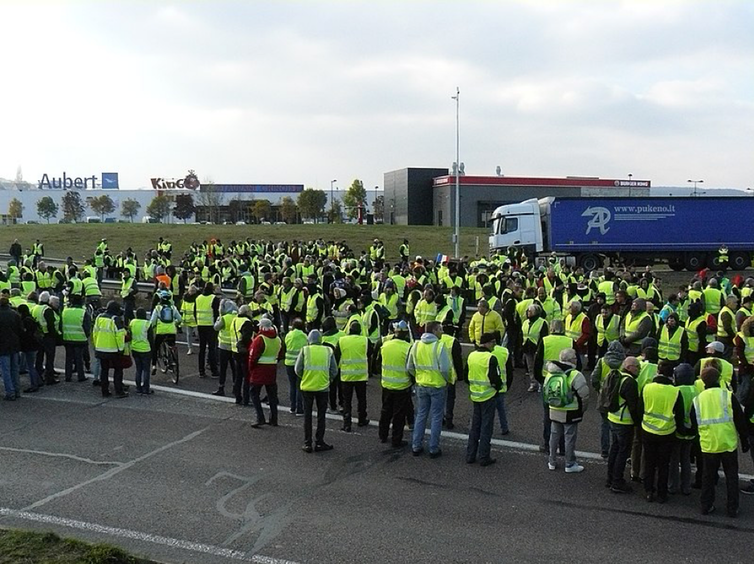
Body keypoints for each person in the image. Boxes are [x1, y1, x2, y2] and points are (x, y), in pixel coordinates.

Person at [690, 367, 749, 517]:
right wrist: (744, 439)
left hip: (708, 443)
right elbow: (739, 420)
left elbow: (693, 422)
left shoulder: (698, 399)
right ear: (718, 379)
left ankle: (706, 505)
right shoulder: (727, 395)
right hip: (727, 442)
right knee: (731, 476)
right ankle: (732, 508)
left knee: (708, 477)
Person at [639, 361, 684, 503]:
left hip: (648, 429)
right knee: (664, 464)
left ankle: (648, 490)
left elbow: (640, 408)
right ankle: (662, 493)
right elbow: (680, 414)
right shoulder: (675, 391)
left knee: (649, 462)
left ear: (658, 372)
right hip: (667, 432)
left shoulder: (647, 388)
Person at [407, 321, 451, 458]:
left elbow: (409, 367)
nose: (442, 332)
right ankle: (433, 448)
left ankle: (416, 445)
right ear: (434, 331)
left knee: (421, 415)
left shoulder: (416, 345)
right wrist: (447, 380)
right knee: (436, 417)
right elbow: (445, 368)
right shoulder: (439, 346)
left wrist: (418, 376)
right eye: (440, 329)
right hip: (437, 385)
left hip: (421, 384)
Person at [545, 348, 590, 473]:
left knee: (554, 435)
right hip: (570, 410)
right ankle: (569, 463)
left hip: (554, 408)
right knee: (569, 437)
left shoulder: (550, 373)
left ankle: (551, 461)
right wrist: (582, 410)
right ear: (571, 360)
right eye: (575, 358)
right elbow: (584, 395)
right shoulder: (575, 374)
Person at [294, 330, 338, 453]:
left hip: (307, 387)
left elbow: (297, 369)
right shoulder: (328, 351)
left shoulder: (305, 350)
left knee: (307, 416)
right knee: (321, 416)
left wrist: (305, 377)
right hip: (323, 387)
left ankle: (307, 443)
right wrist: (328, 379)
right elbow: (334, 370)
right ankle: (319, 442)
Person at [465, 333, 503, 466]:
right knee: (486, 427)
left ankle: (470, 455)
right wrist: (498, 388)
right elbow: (495, 379)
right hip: (488, 396)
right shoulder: (491, 358)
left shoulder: (471, 356)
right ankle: (483, 456)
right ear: (487, 343)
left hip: (475, 395)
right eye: (492, 342)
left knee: (475, 426)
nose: (494, 345)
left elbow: (466, 376)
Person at [607, 356, 641, 493]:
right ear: (629, 367)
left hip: (612, 418)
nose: (639, 369)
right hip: (624, 422)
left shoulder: (615, 375)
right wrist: (638, 422)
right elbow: (633, 407)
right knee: (623, 452)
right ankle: (617, 481)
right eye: (637, 367)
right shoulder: (630, 382)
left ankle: (610, 478)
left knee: (614, 449)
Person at [378, 320, 413, 448]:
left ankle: (382, 435)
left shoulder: (386, 345)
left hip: (386, 384)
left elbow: (378, 363)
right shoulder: (408, 347)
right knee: (399, 416)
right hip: (402, 386)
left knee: (385, 411)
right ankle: (396, 440)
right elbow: (411, 368)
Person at [336, 320, 372, 432]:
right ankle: (362, 419)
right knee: (362, 399)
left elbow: (337, 355)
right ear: (360, 331)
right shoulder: (365, 340)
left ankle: (347, 423)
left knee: (347, 401)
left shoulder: (342, 340)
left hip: (346, 376)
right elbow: (370, 353)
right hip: (361, 375)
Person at [668, 363, 698, 496]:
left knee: (674, 459)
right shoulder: (697, 390)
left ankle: (672, 486)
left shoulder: (676, 390)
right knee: (686, 459)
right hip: (692, 431)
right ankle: (686, 487)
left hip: (678, 430)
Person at [248, 318, 283, 428]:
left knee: (254, 394)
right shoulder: (277, 339)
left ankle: (260, 418)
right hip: (272, 370)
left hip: (259, 370)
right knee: (272, 396)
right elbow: (281, 353)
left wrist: (251, 369)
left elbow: (253, 357)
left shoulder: (260, 339)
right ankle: (274, 419)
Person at [92, 300, 127, 398]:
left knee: (104, 370)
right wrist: (121, 349)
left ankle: (105, 391)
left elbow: (94, 333)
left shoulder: (99, 318)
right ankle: (119, 391)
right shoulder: (115, 319)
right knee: (118, 370)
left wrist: (96, 345)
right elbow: (120, 336)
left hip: (100, 349)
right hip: (113, 350)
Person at [150, 290, 182, 377]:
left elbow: (152, 321)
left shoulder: (158, 308)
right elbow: (179, 319)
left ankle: (154, 366)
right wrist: (175, 323)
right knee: (172, 345)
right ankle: (173, 361)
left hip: (161, 331)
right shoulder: (173, 308)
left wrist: (151, 328)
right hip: (171, 331)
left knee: (155, 348)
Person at [61, 294, 91, 383]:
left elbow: (61, 325)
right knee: (79, 358)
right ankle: (80, 376)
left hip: (67, 338)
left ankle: (68, 376)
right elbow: (87, 327)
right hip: (80, 339)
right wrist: (86, 336)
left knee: (68, 358)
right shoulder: (83, 312)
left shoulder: (65, 311)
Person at [212, 299, 238, 396]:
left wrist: (219, 318)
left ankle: (221, 387)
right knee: (234, 368)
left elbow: (216, 327)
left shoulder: (224, 318)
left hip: (223, 346)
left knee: (223, 368)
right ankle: (235, 387)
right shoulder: (236, 317)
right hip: (234, 346)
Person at [195, 283, 221, 378]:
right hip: (210, 326)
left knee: (201, 349)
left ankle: (201, 371)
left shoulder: (198, 298)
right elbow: (217, 313)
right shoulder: (214, 298)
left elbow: (195, 312)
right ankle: (214, 371)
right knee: (212, 348)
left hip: (200, 325)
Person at [231, 305, 255, 406]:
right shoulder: (247, 322)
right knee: (247, 377)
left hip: (234, 350)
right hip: (244, 351)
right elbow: (246, 337)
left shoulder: (235, 320)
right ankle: (246, 398)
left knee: (238, 376)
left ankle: (237, 397)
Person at [0, 294, 22, 400]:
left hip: (3, 345)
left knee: (6, 370)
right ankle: (17, 390)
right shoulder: (15, 314)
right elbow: (20, 330)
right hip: (14, 344)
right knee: (14, 369)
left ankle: (10, 392)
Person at [284, 318, 307, 414]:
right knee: (299, 386)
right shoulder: (304, 336)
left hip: (289, 363)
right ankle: (299, 408)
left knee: (292, 385)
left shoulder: (288, 335)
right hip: (300, 363)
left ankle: (292, 407)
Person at [17, 303, 42, 393]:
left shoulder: (25, 321)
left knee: (30, 366)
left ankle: (34, 384)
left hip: (29, 346)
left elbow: (26, 335)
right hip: (34, 345)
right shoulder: (30, 319)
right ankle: (38, 381)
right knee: (31, 365)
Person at [129, 308, 153, 394]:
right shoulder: (147, 324)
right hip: (145, 349)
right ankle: (146, 388)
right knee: (146, 369)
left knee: (138, 369)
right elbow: (151, 338)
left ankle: (138, 387)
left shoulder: (132, 322)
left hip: (135, 348)